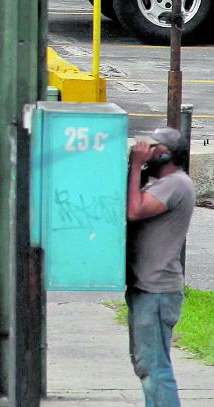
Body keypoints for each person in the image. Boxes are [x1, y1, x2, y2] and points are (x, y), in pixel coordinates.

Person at [127, 126, 195, 407]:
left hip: (157, 291)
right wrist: (141, 171)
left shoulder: (175, 183)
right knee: (148, 365)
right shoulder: (165, 183)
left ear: (166, 156)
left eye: (153, 147)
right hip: (149, 288)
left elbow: (134, 210)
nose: (145, 150)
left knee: (154, 368)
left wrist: (135, 166)